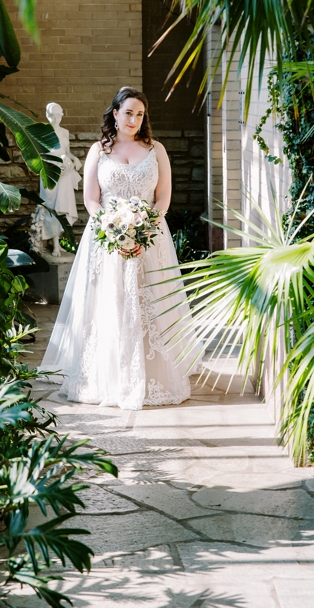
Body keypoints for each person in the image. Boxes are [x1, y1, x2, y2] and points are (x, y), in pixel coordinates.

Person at [39, 87, 202, 410]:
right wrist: (113, 229)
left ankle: (152, 376)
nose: (134, 120)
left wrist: (144, 228)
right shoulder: (99, 151)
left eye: (140, 114)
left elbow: (164, 198)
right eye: (128, 112)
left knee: (149, 304)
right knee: (108, 304)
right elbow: (91, 199)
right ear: (115, 113)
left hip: (150, 237)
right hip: (106, 240)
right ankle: (106, 377)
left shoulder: (156, 149)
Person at [31, 102, 83, 256]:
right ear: (47, 115)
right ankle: (53, 244)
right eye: (52, 115)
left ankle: (57, 242)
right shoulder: (43, 132)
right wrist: (56, 162)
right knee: (53, 207)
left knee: (64, 207)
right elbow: (39, 156)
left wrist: (74, 159)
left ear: (62, 115)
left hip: (65, 173)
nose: (55, 118)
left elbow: (67, 152)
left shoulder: (65, 132)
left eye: (58, 115)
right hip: (50, 174)